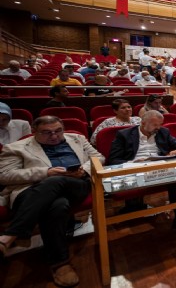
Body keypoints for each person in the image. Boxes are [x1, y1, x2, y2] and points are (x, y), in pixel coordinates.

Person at [0, 116, 103, 287]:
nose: (54, 136)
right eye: (47, 133)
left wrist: (83, 170)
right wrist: (46, 173)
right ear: (34, 132)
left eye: (58, 131)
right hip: (31, 191)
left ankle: (11, 235)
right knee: (58, 205)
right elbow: (5, 175)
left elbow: (98, 158)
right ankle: (60, 264)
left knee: (58, 182)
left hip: (76, 186)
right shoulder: (16, 148)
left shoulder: (77, 139)